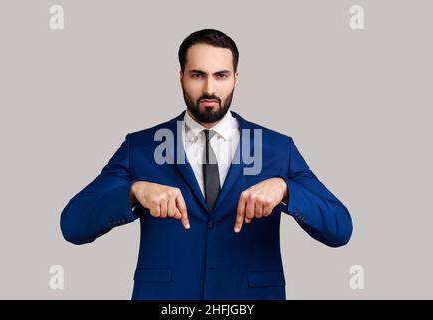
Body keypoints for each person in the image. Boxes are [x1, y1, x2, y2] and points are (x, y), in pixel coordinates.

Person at [60, 29, 353, 300]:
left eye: (221, 75)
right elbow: (73, 225)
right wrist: (133, 192)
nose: (210, 88)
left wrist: (287, 190)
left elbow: (340, 229)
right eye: (198, 75)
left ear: (236, 78)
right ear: (181, 77)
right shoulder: (141, 147)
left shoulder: (277, 148)